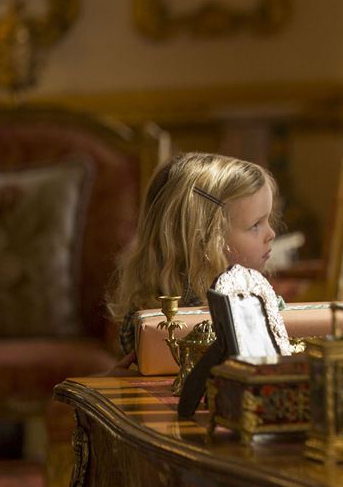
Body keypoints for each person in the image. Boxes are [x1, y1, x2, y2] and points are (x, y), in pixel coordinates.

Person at [108, 152, 279, 355]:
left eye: (267, 220)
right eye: (255, 225)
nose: (271, 234)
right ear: (204, 239)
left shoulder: (251, 298)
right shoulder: (161, 320)